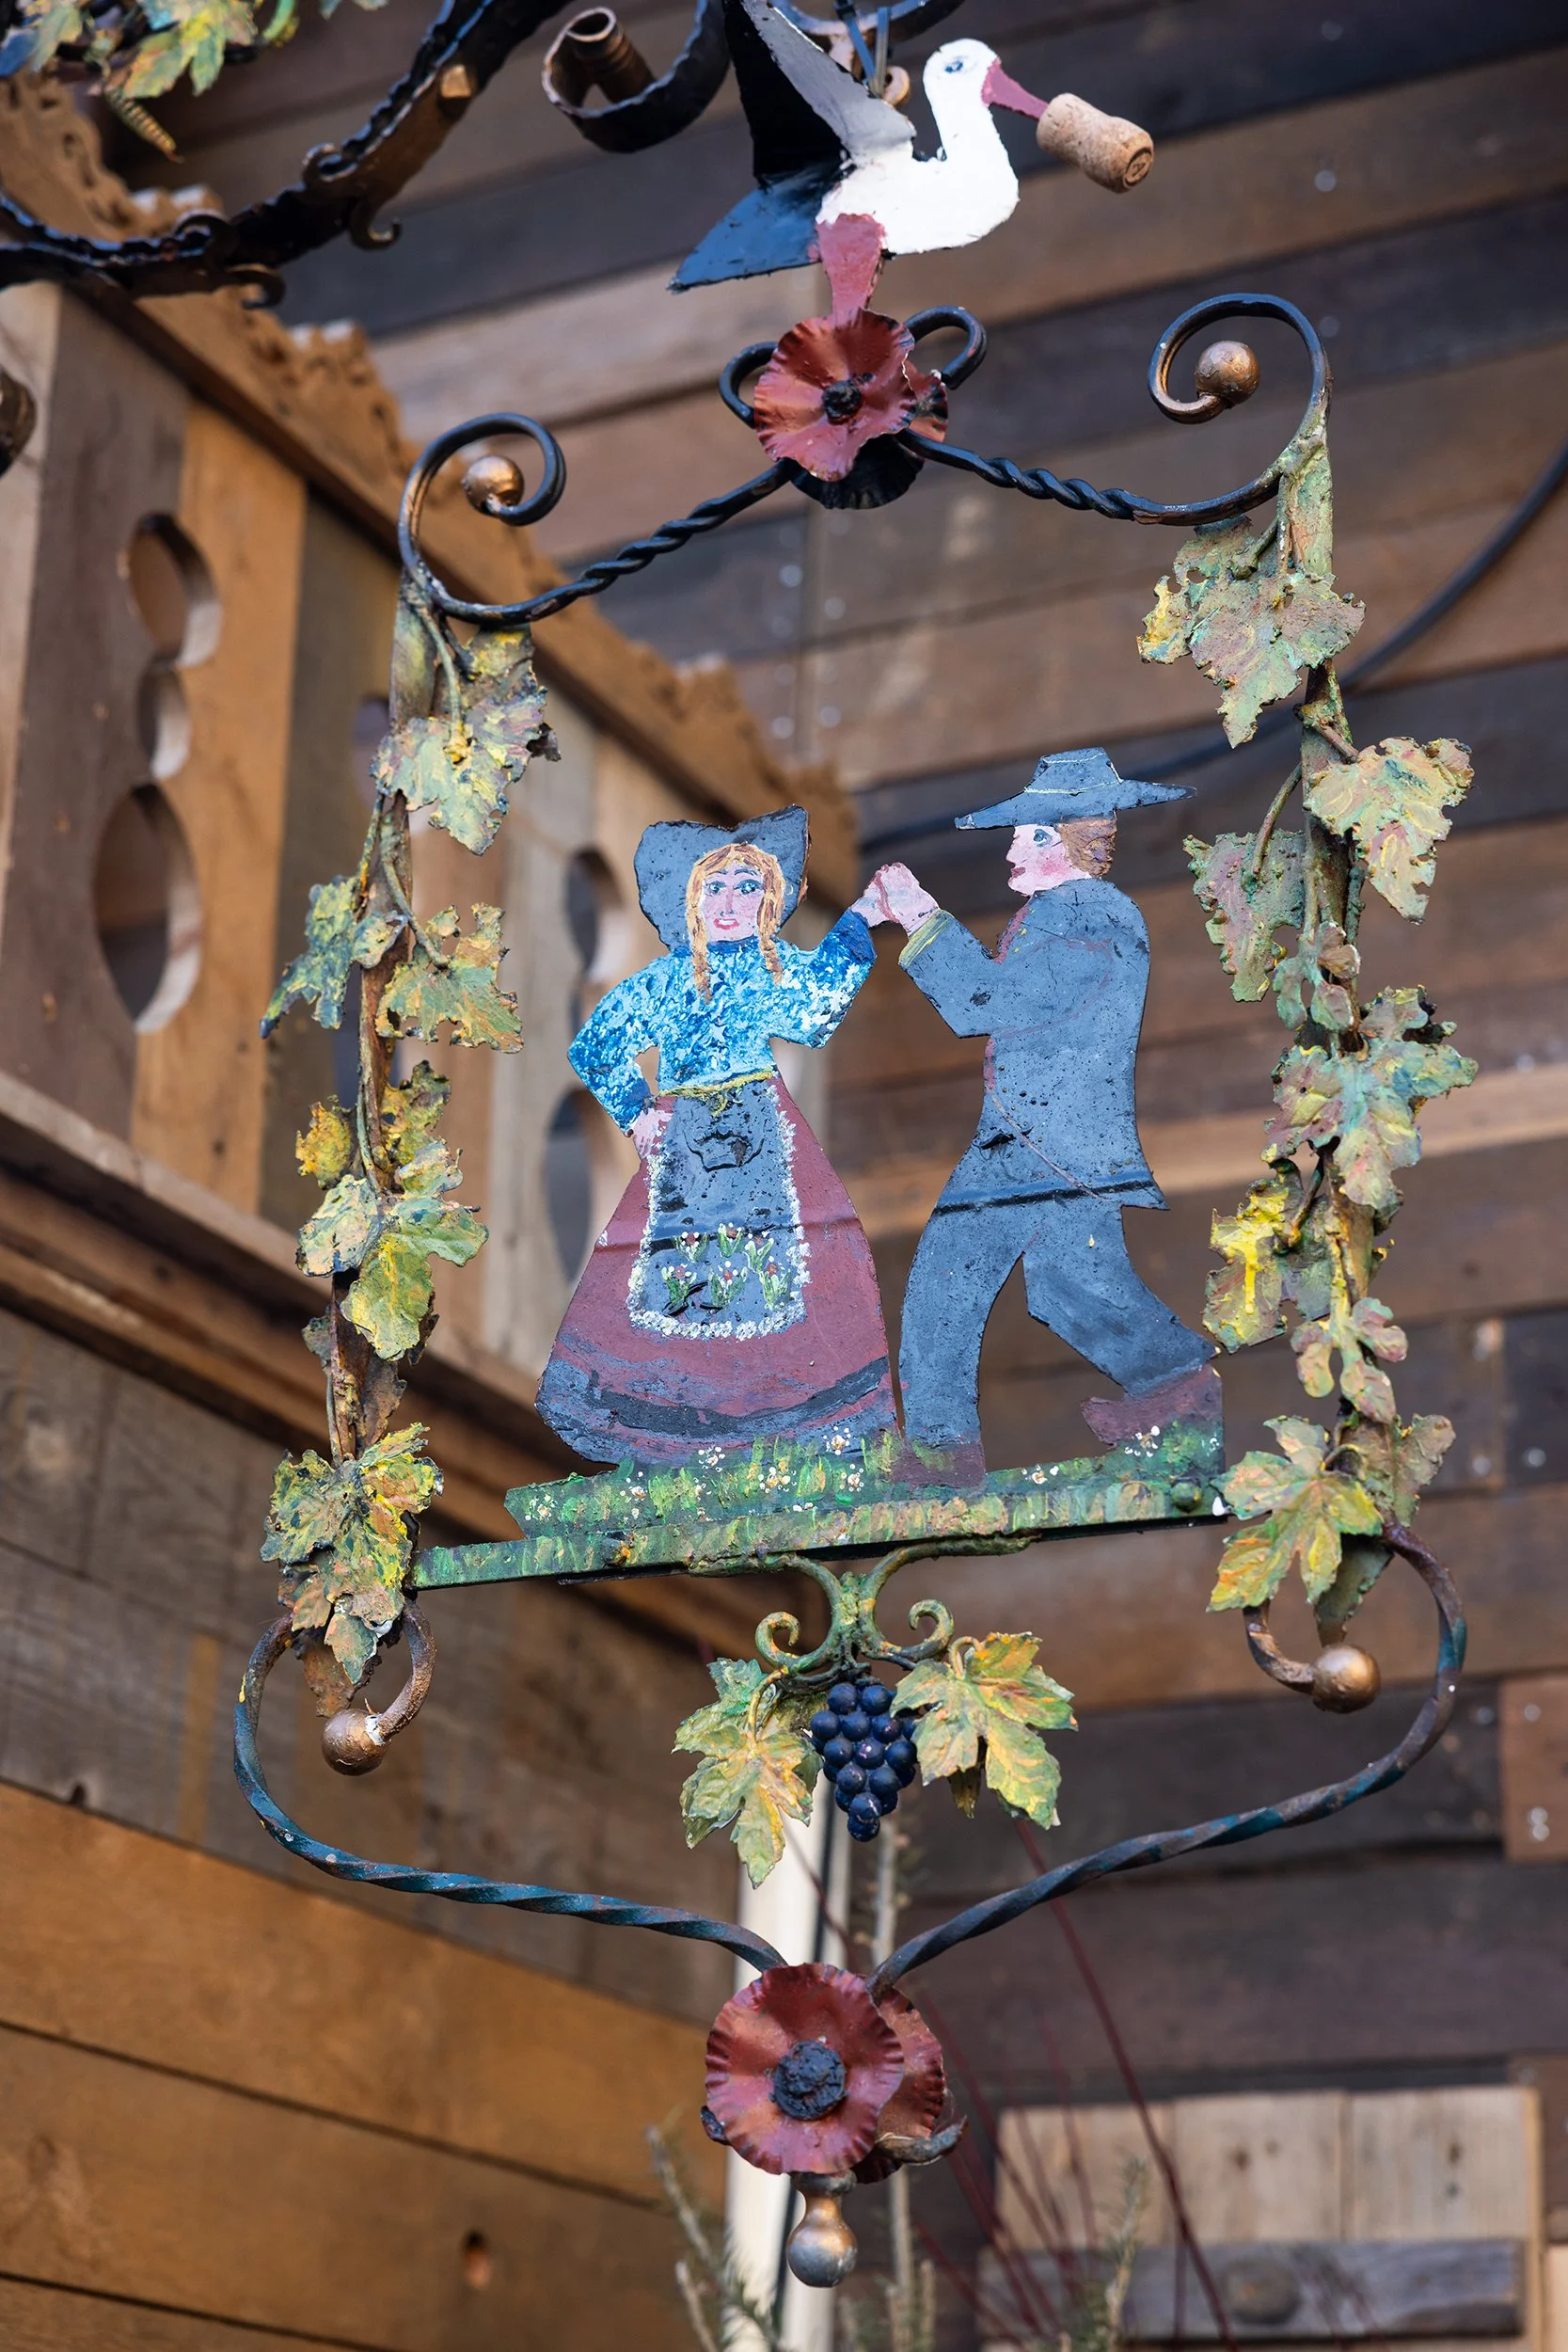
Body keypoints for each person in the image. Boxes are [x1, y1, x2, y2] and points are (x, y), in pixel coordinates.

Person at [865, 746, 1218, 1484]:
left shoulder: (1086, 913)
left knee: (946, 1278)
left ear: (1061, 841)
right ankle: (1177, 1394)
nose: (1008, 855)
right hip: (1048, 1138)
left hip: (1036, 1144)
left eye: (1024, 837)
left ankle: (938, 1453)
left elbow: (983, 1004)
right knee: (1070, 1287)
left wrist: (919, 915)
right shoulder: (1067, 912)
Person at [536, 807, 898, 1467]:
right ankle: (675, 1423)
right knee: (681, 1276)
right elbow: (598, 1045)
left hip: (760, 1132)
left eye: (746, 886)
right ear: (691, 901)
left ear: (768, 900)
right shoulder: (666, 980)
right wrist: (637, 1111)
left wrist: (861, 921)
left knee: (777, 1267)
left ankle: (774, 1416)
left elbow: (816, 1009)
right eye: (714, 887)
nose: (730, 902)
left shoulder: (769, 964)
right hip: (688, 1143)